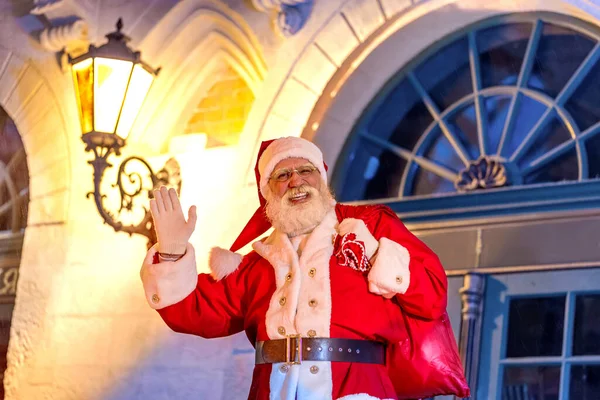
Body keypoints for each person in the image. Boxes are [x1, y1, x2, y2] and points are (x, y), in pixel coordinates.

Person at [140, 136, 449, 400]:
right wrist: (170, 251)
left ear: (322, 178)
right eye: (282, 175)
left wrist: (374, 252)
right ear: (268, 191)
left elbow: (432, 297)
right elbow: (197, 312)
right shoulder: (255, 264)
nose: (296, 181)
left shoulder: (369, 225)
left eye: (305, 170)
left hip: (357, 387)